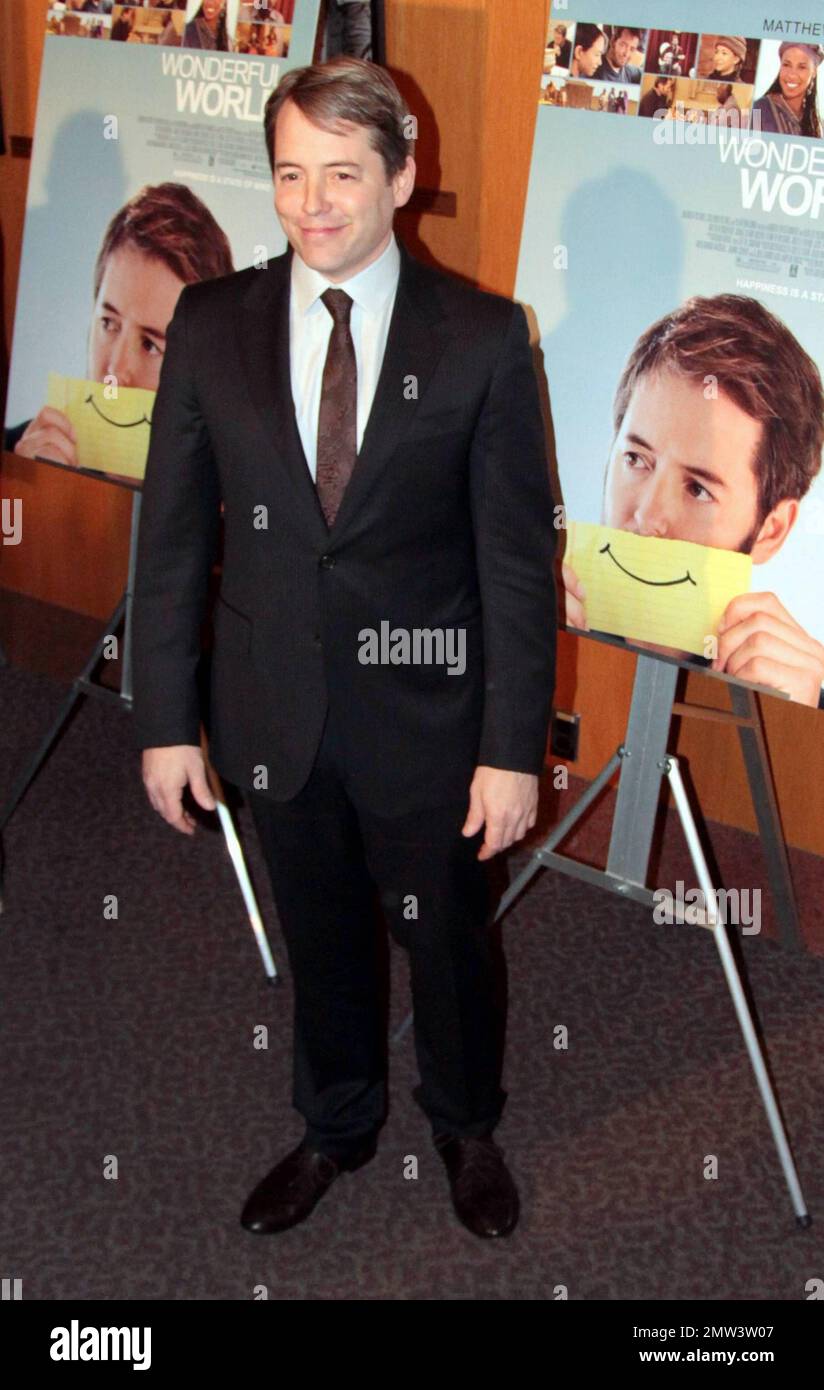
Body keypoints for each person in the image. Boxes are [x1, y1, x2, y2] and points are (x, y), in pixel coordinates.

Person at [133, 56, 557, 1240]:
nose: (312, 203)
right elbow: (167, 541)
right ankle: (335, 1124)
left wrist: (510, 747)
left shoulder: (478, 338)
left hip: (431, 723)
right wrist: (166, 721)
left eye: (341, 173)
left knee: (446, 940)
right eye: (287, 174)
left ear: (403, 177)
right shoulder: (211, 325)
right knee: (317, 935)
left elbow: (516, 566)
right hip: (273, 711)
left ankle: (466, 1120)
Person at [562, 295, 824, 710]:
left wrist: (799, 728)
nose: (648, 517)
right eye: (636, 460)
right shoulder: (523, 624)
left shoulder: (798, 702)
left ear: (771, 530)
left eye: (698, 489)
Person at [5, 183, 234, 465]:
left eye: (151, 345)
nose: (115, 371)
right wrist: (31, 488)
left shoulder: (233, 494)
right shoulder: (17, 455)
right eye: (109, 324)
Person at [753, 42, 823, 138]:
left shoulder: (817, 124)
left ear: (814, 71)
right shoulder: (758, 110)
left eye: (802, 67)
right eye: (786, 65)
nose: (791, 75)